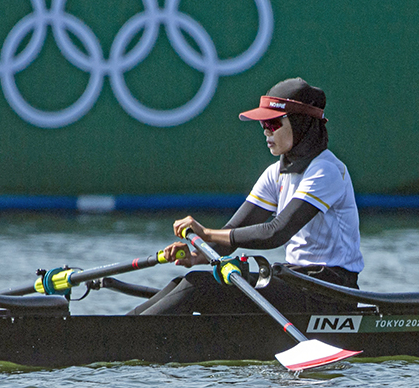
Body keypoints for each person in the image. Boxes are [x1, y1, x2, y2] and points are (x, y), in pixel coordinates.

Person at [130, 78, 364, 315]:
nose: (265, 132)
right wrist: (196, 255)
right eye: (263, 124)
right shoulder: (277, 173)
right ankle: (120, 331)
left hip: (331, 292)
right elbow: (236, 228)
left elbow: (275, 233)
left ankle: (124, 343)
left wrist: (206, 232)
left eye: (273, 124)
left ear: (300, 123)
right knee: (183, 281)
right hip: (298, 281)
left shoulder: (325, 171)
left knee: (198, 287)